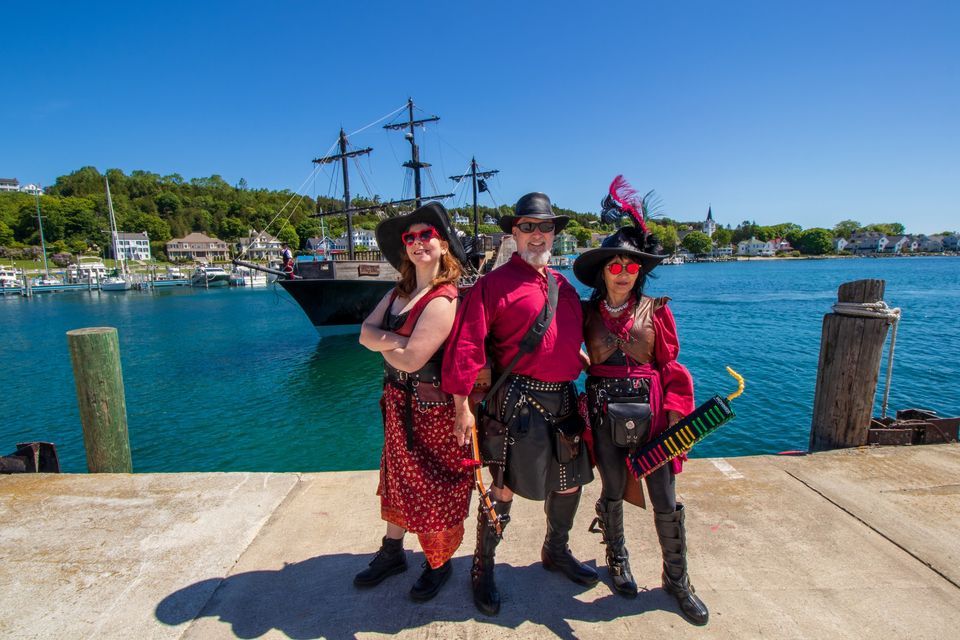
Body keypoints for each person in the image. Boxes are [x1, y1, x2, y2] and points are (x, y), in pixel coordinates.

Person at [442, 192, 597, 616]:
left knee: (569, 482)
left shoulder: (563, 286)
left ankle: (556, 550)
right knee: (503, 487)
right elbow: (467, 347)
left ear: (553, 234)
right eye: (527, 227)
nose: (536, 234)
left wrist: (580, 356)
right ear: (514, 233)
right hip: (518, 402)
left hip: (563, 399)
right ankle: (483, 566)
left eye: (544, 227)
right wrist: (462, 408)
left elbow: (568, 336)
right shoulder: (492, 285)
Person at [572, 176, 709, 625]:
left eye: (632, 266)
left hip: (653, 420)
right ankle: (617, 559)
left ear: (641, 271)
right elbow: (562, 351)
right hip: (601, 415)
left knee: (665, 499)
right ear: (602, 272)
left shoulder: (659, 310)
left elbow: (672, 370)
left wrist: (674, 421)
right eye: (615, 265)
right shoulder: (585, 313)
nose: (624, 272)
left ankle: (677, 578)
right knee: (611, 490)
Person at [356, 202, 473, 602]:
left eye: (427, 236)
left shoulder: (444, 298)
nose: (419, 242)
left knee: (432, 487)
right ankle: (393, 552)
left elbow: (411, 359)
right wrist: (396, 342)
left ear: (442, 245)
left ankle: (439, 564)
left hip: (430, 410)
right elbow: (363, 334)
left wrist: (386, 342)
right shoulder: (399, 292)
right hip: (397, 402)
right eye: (411, 237)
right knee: (397, 479)